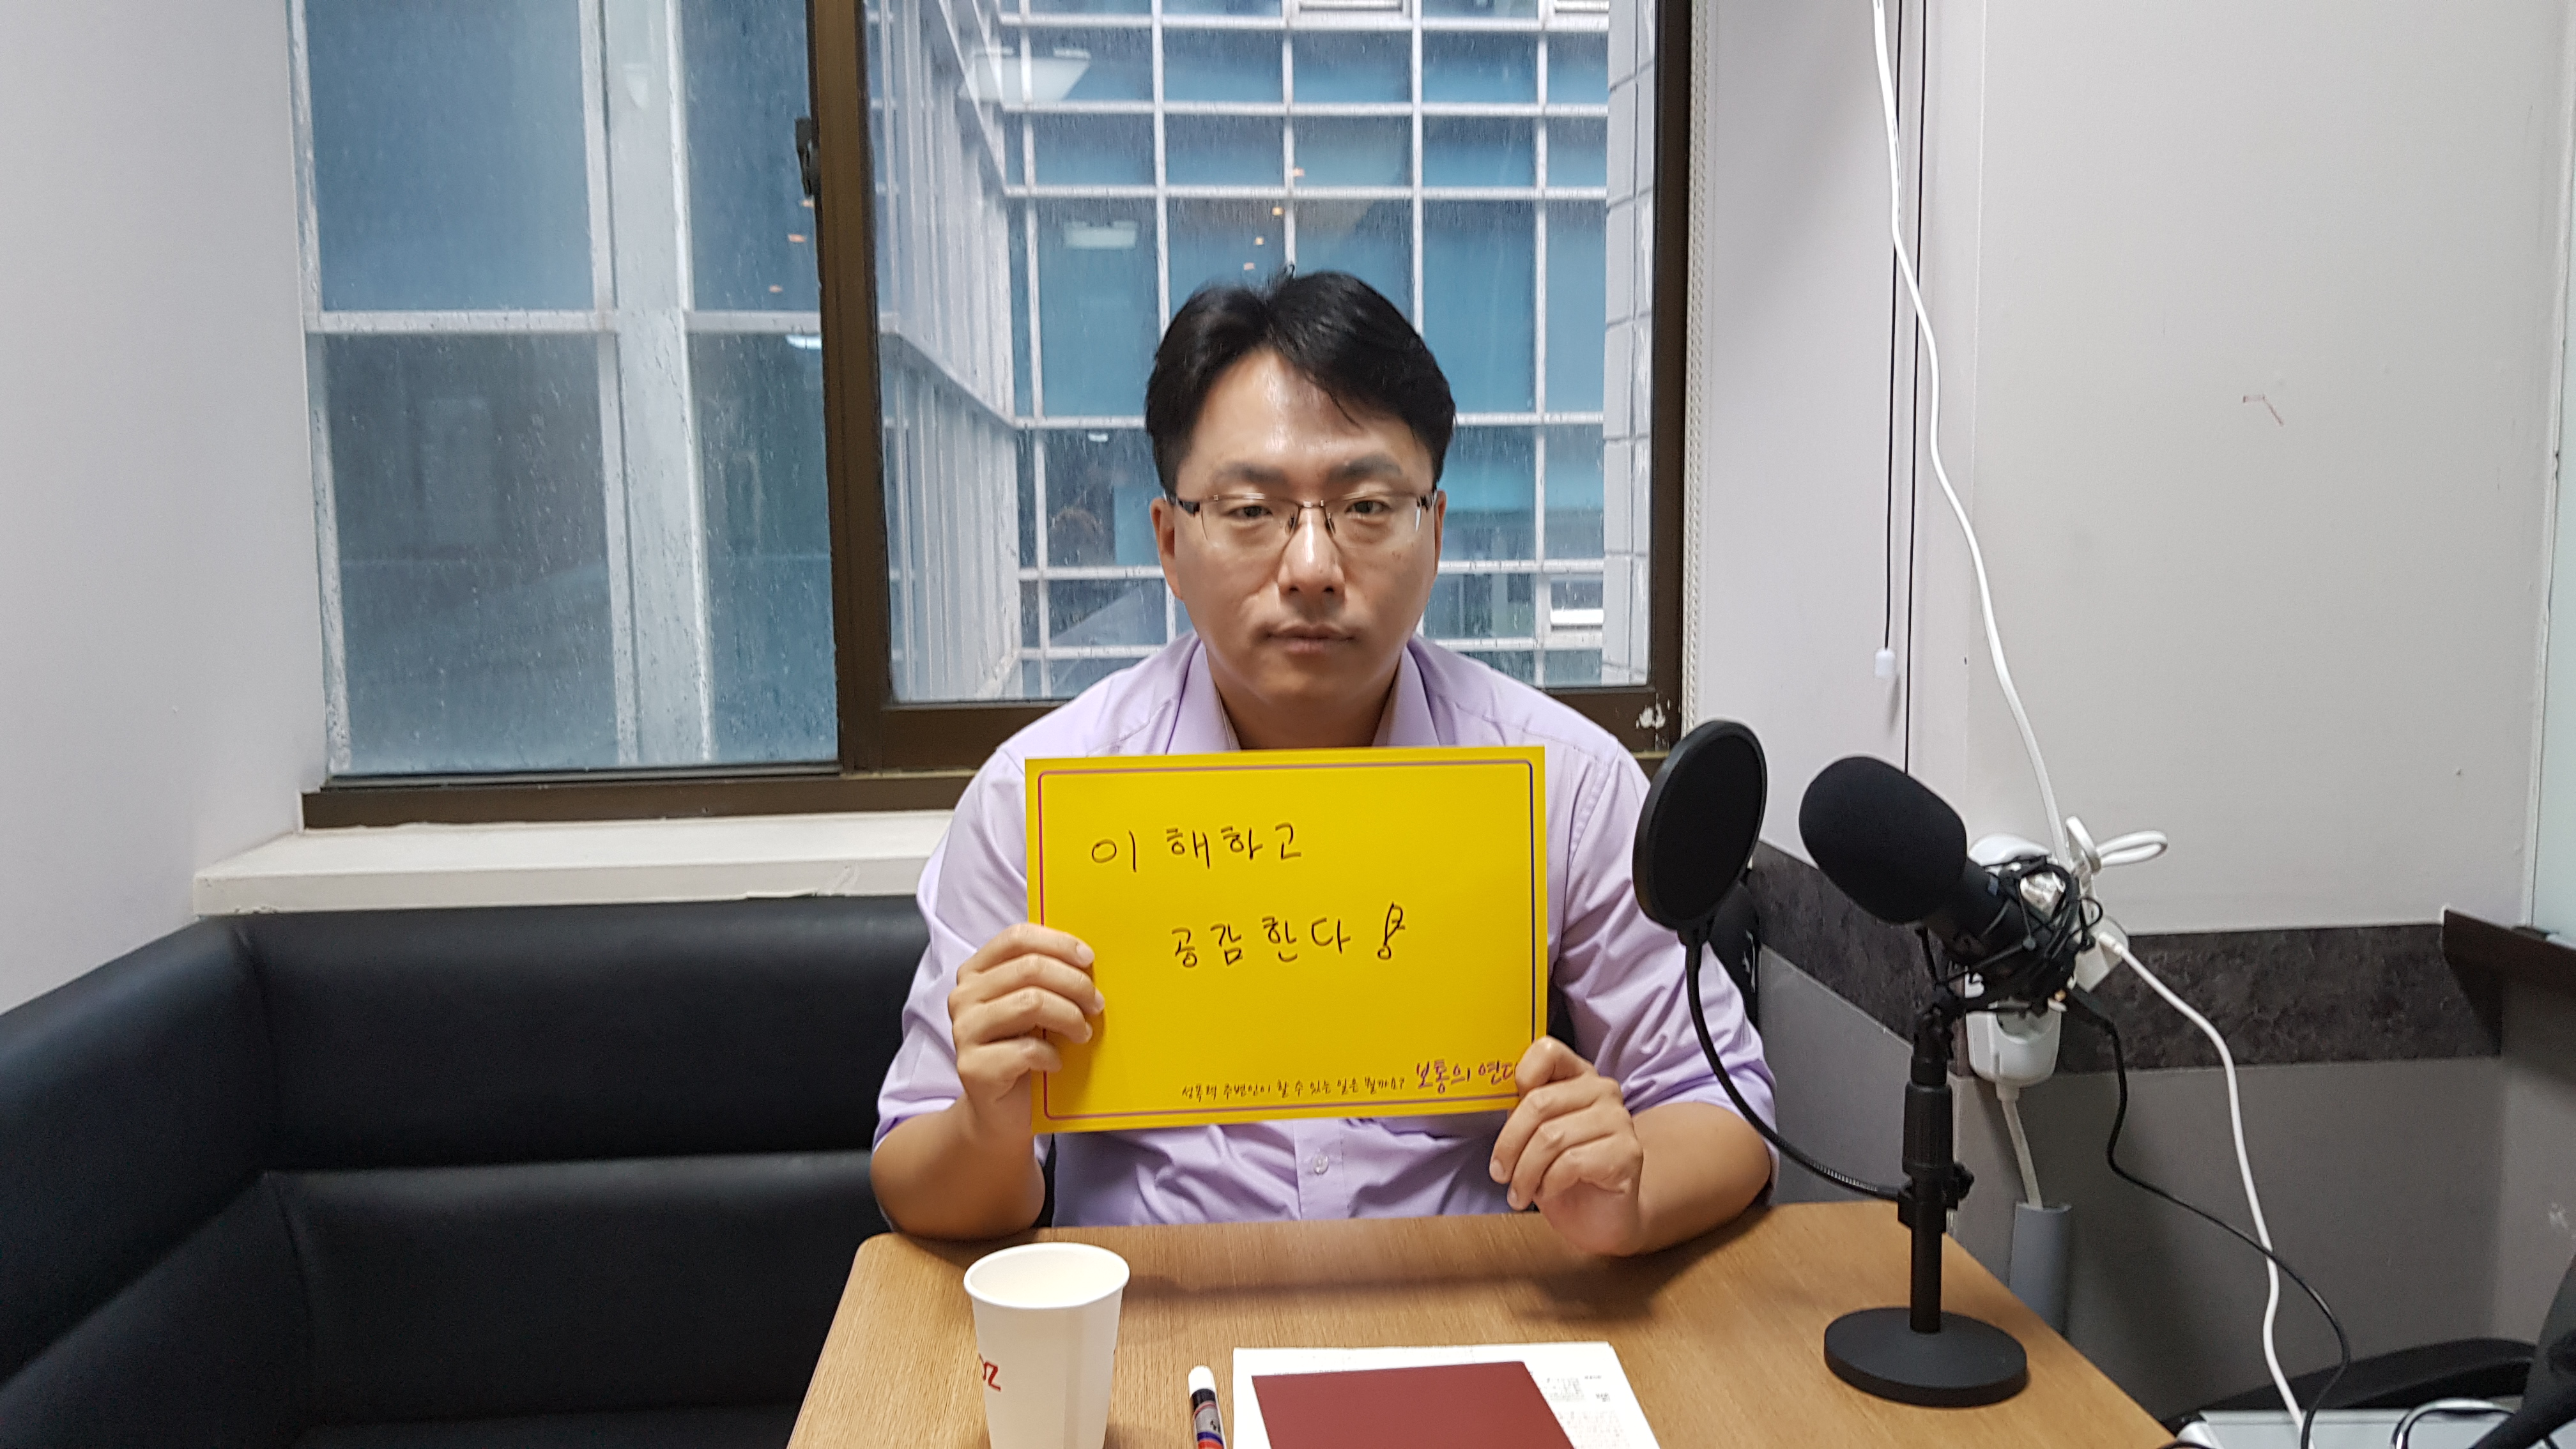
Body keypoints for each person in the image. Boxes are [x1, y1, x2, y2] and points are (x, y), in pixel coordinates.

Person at [871, 272, 1773, 1256]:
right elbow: (913, 1176)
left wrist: (1627, 1197)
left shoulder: (1566, 783)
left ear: (1435, 532)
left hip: (1468, 1307)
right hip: (1155, 1315)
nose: (1310, 567)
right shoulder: (1035, 798)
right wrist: (990, 1128)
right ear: (1170, 543)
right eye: (1250, 509)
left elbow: (1721, 1103)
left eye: (1368, 505)